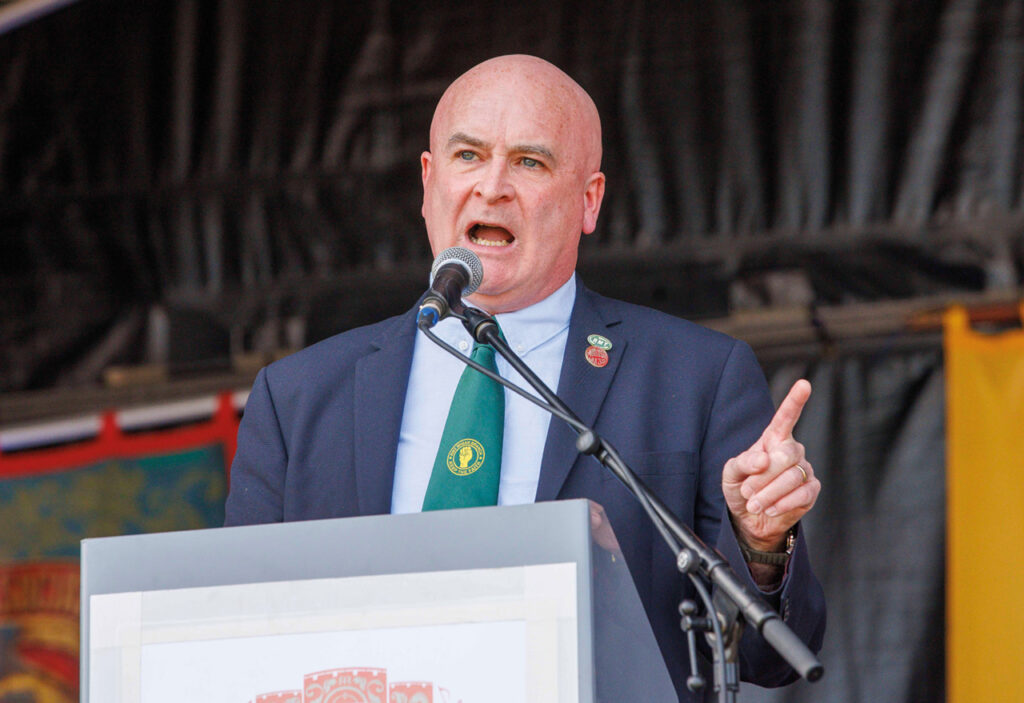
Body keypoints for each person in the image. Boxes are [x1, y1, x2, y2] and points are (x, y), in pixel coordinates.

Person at [225, 54, 825, 698]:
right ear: (428, 185)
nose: (492, 187)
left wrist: (760, 543)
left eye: (529, 162)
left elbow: (770, 660)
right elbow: (234, 635)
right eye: (467, 156)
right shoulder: (298, 397)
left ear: (588, 200)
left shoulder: (695, 378)